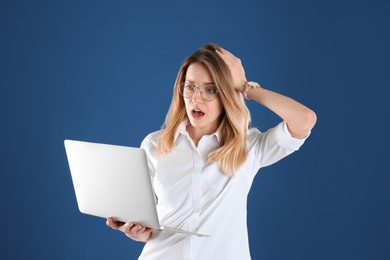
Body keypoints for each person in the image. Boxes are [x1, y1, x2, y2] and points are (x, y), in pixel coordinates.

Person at [106, 43, 317, 259]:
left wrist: (245, 87)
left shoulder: (248, 146)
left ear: (226, 94)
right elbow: (148, 227)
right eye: (190, 87)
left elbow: (304, 119)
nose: (196, 99)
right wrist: (136, 232)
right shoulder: (154, 145)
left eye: (210, 89)